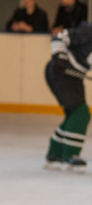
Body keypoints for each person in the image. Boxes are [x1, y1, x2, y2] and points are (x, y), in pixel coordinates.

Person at [43, 23, 92, 172]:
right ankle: (70, 156)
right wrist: (59, 56)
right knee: (81, 113)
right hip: (60, 71)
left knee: (74, 114)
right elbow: (59, 35)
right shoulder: (88, 31)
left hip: (73, 76)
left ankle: (55, 154)